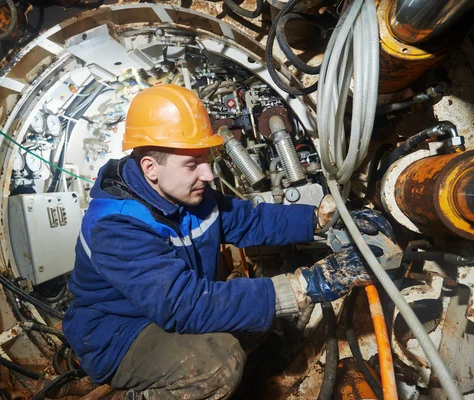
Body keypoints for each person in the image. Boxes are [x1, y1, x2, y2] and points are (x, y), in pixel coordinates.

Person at [63, 84, 393, 400]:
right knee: (218, 364)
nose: (207, 175)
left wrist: (318, 218)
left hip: (171, 311)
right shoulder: (115, 226)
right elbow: (185, 305)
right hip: (120, 335)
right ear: (150, 168)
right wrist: (305, 285)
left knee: (256, 321)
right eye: (193, 164)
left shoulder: (187, 194)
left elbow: (250, 220)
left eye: (206, 159)